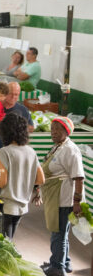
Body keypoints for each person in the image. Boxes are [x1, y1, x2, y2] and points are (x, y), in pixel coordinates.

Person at [34, 117, 85, 276]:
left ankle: (57, 267)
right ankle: (64, 261)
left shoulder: (71, 150)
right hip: (56, 197)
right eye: (52, 129)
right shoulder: (59, 147)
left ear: (66, 132)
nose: (53, 132)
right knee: (62, 233)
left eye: (58, 129)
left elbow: (79, 177)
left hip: (64, 199)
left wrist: (76, 202)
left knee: (58, 234)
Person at [0, 114, 45, 239]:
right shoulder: (31, 151)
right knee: (10, 240)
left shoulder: (4, 152)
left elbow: (2, 182)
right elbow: (40, 179)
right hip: (23, 205)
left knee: (4, 242)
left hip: (7, 205)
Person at [0, 82, 35, 167]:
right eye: (11, 94)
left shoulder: (23, 110)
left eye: (16, 95)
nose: (13, 97)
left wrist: (16, 127)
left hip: (14, 156)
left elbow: (31, 128)